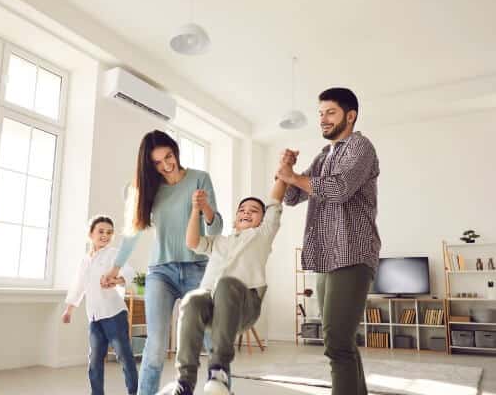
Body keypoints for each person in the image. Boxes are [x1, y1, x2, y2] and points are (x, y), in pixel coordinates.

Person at [277, 87, 381, 395]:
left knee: (336, 342)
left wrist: (293, 177)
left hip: (353, 252)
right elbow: (293, 196)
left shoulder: (361, 146)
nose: (322, 119)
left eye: (330, 112)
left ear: (350, 116)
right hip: (326, 256)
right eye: (320, 113)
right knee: (341, 341)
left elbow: (339, 189)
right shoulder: (325, 155)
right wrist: (287, 171)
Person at [103, 129, 223, 395]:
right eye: (157, 163)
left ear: (175, 151)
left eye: (168, 156)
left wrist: (205, 209)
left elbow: (215, 231)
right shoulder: (146, 189)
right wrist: (114, 268)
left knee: (212, 339)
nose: (166, 165)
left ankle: (223, 390)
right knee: (155, 345)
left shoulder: (199, 179)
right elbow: (132, 234)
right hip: (161, 272)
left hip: (197, 268)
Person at [159, 173, 288, 395]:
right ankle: (184, 382)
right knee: (192, 299)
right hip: (212, 305)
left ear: (262, 219)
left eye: (254, 211)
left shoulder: (263, 234)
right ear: (235, 219)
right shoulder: (219, 242)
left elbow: (275, 203)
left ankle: (219, 371)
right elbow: (192, 242)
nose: (247, 212)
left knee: (227, 283)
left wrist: (284, 175)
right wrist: (195, 210)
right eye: (242, 210)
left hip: (244, 305)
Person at [62, 215, 139, 395]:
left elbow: (129, 271)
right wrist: (69, 310)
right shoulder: (85, 260)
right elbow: (78, 285)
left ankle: (135, 392)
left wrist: (118, 279)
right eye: (101, 231)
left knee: (125, 357)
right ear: (91, 234)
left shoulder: (113, 253)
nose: (105, 235)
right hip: (95, 318)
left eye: (109, 232)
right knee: (95, 359)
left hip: (114, 314)